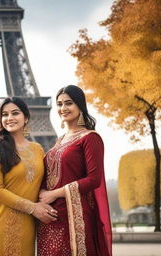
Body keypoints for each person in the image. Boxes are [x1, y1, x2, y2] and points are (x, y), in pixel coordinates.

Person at [37, 85, 112, 256]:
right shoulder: (60, 140)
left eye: (68, 103)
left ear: (80, 105)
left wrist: (54, 194)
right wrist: (42, 195)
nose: (63, 108)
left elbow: (94, 179)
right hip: (48, 219)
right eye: (59, 104)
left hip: (74, 218)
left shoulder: (90, 138)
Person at [0, 97, 57, 256]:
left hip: (27, 226)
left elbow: (44, 181)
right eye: (5, 114)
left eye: (15, 113)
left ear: (26, 117)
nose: (9, 118)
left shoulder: (37, 149)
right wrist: (33, 207)